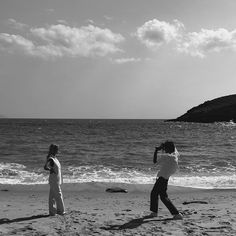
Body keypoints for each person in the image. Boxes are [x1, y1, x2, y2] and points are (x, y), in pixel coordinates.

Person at [149, 140, 183, 220]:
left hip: (162, 178)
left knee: (155, 194)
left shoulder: (167, 157)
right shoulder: (175, 157)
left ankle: (156, 212)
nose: (164, 150)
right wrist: (161, 148)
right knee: (163, 196)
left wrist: (156, 151)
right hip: (165, 178)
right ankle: (176, 214)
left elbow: (155, 162)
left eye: (165, 148)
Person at [44, 144, 65, 216]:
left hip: (56, 179)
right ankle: (61, 211)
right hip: (54, 180)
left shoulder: (55, 158)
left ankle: (52, 212)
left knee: (52, 196)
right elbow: (45, 167)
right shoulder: (51, 158)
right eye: (56, 149)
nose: (57, 151)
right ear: (53, 150)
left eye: (57, 149)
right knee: (58, 195)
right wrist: (50, 169)